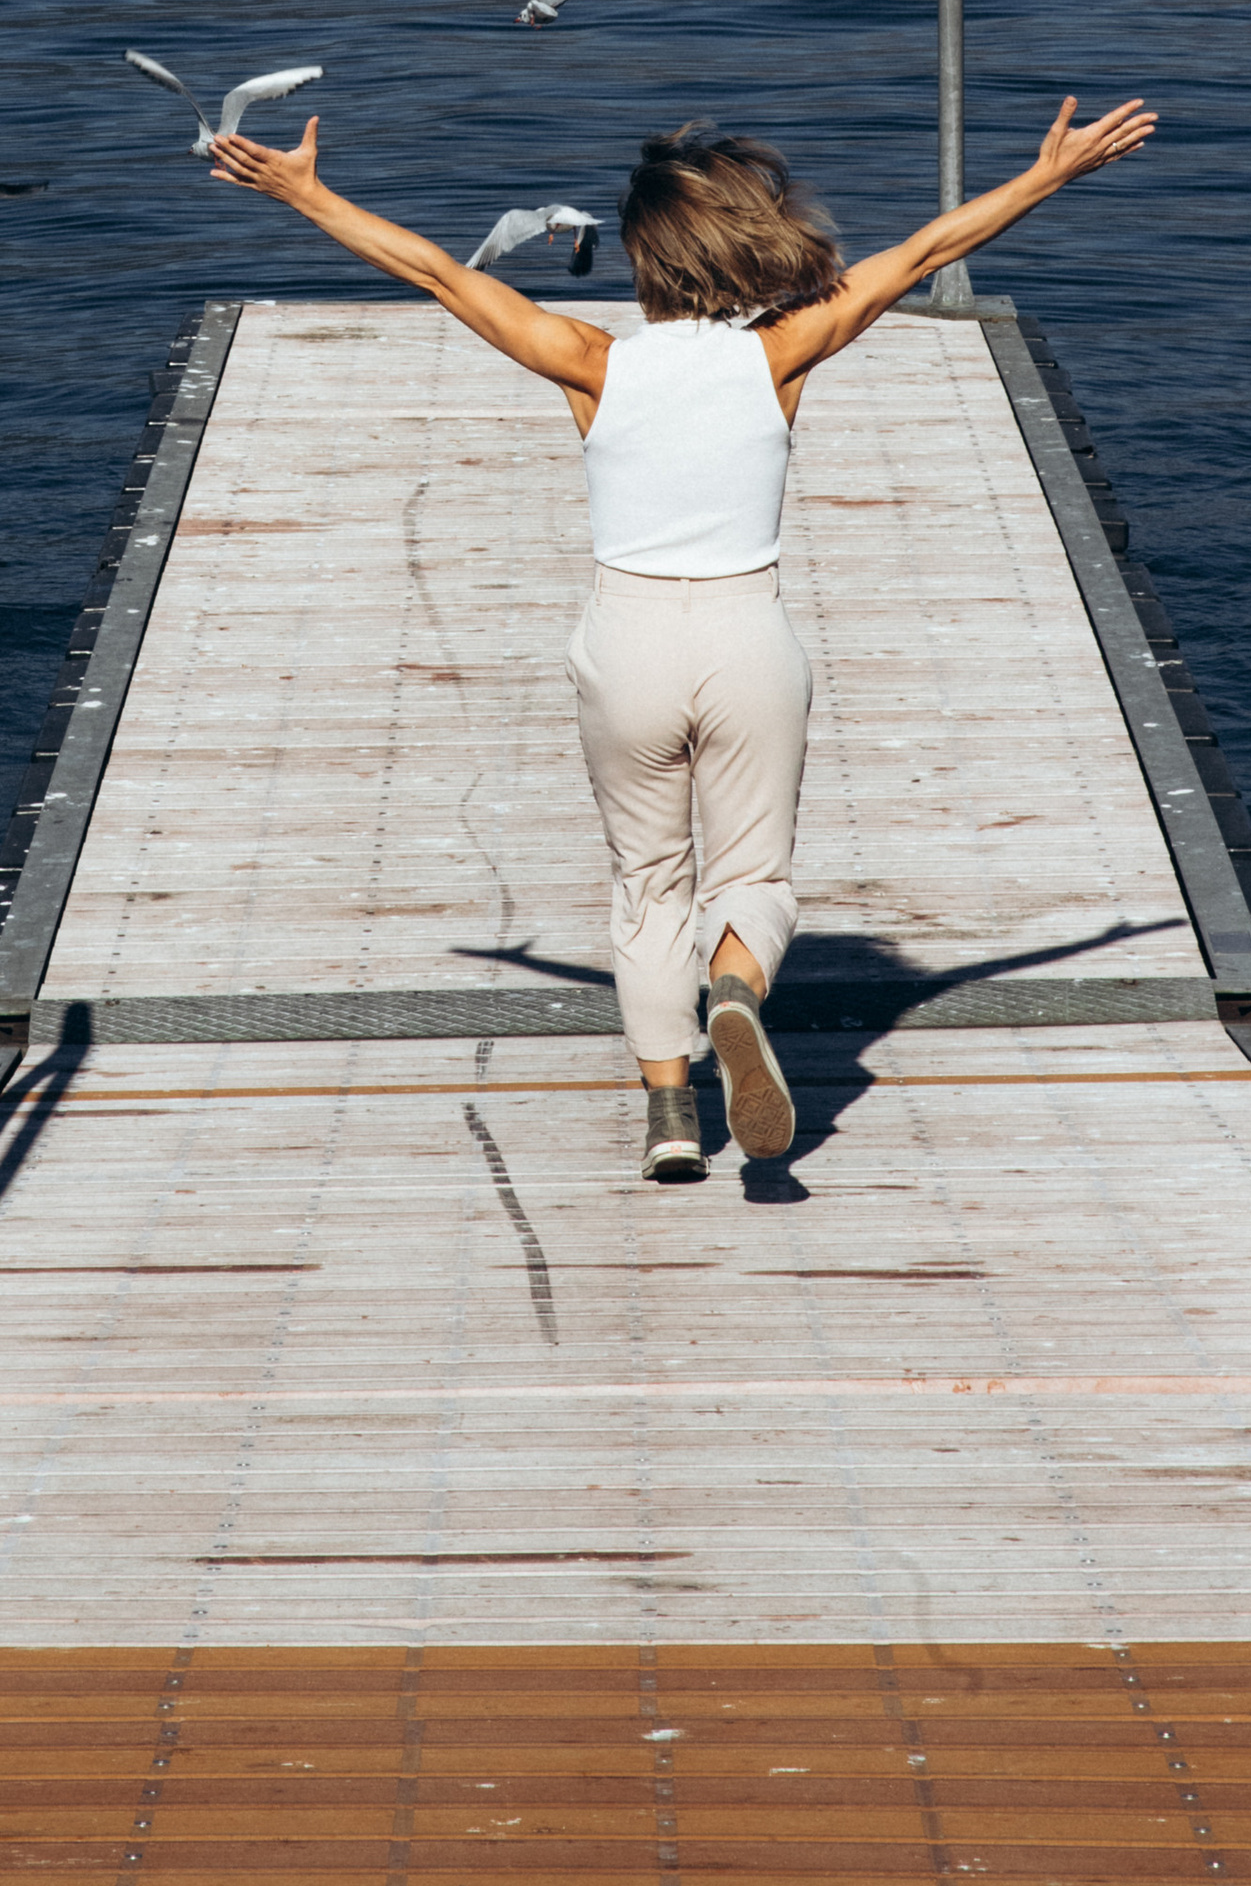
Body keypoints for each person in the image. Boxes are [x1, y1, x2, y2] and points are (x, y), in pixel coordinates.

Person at [211, 94, 1156, 1186]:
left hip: (628, 642)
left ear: (640, 261)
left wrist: (302, 190)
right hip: (745, 634)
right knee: (752, 870)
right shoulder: (782, 354)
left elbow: (432, 270)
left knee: (646, 881)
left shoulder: (587, 359)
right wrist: (1048, 176)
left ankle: (669, 1111)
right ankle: (738, 990)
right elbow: (930, 249)